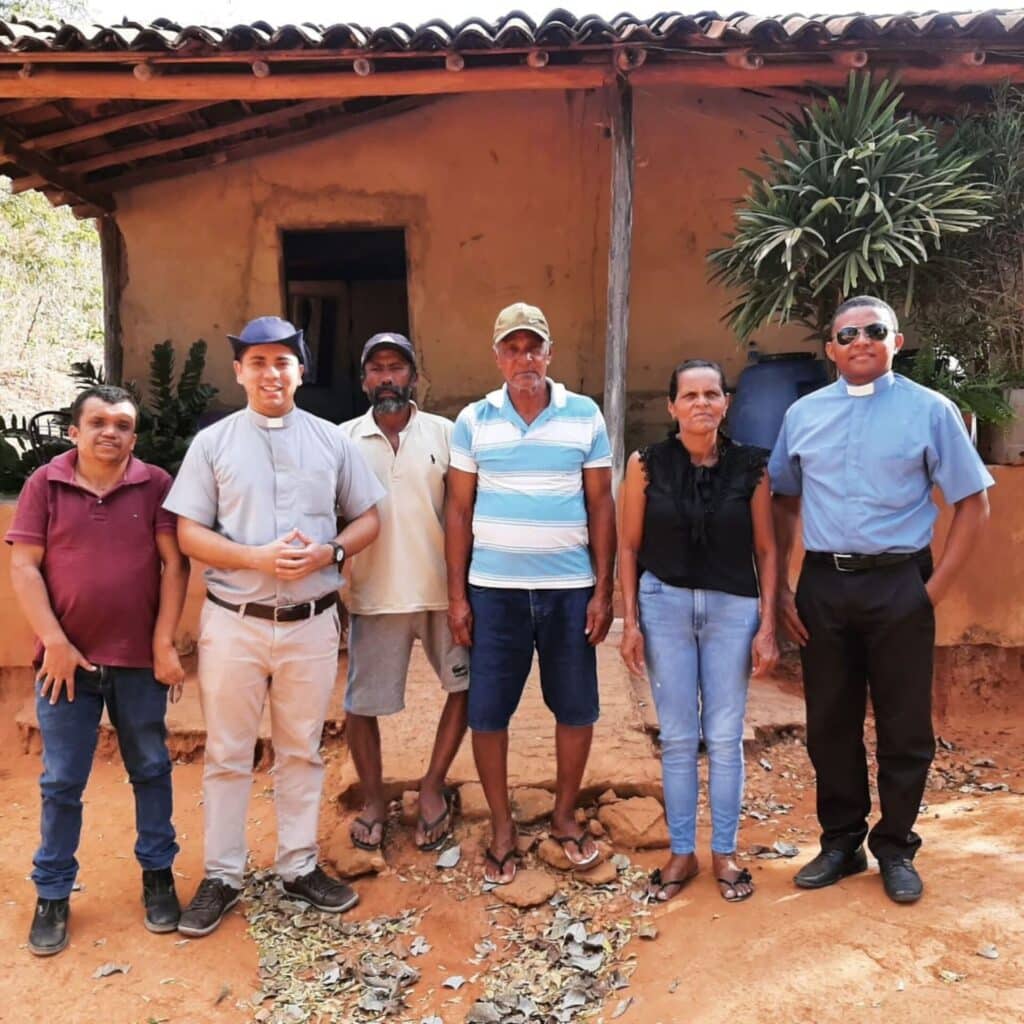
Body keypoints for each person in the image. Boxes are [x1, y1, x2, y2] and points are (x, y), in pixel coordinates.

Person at [164, 316, 384, 936]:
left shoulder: (331, 441)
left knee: (301, 750)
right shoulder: (213, 444)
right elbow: (188, 532)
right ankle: (222, 875)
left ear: (300, 371)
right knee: (228, 753)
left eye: (282, 361)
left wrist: (329, 552)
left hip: (311, 623)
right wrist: (255, 558)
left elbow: (369, 518)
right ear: (239, 372)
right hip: (234, 621)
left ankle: (298, 866)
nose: (271, 373)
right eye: (257, 362)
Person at [770, 295, 993, 904]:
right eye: (847, 334)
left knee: (904, 725)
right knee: (829, 723)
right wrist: (785, 585)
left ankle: (896, 846)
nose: (861, 341)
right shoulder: (803, 414)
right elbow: (784, 500)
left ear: (896, 342)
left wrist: (931, 592)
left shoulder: (931, 411)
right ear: (831, 349)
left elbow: (973, 504)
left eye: (874, 331)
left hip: (900, 583)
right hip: (824, 585)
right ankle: (842, 842)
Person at [7, 385, 189, 955]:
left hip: (137, 661)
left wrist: (164, 642)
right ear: (74, 431)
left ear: (134, 436)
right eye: (99, 422)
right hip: (65, 666)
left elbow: (174, 565)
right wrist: (54, 643)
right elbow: (24, 566)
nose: (111, 432)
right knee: (62, 781)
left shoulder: (155, 484)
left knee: (151, 767)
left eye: (123, 424)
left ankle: (158, 877)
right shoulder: (45, 484)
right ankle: (52, 893)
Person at [446, 302, 616, 884]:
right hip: (494, 592)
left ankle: (564, 816)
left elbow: (601, 503)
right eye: (512, 349)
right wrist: (457, 596)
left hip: (569, 590)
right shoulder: (474, 420)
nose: (524, 359)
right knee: (488, 712)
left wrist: (604, 590)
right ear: (497, 357)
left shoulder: (583, 414)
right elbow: (458, 509)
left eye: (533, 348)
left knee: (576, 706)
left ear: (549, 353)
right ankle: (502, 826)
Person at [618, 360, 778, 903]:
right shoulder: (645, 464)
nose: (702, 403)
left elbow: (767, 550)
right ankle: (682, 851)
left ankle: (725, 852)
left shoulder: (752, 466)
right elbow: (628, 547)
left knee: (726, 736)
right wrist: (629, 622)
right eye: (690, 395)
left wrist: (768, 625)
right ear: (672, 406)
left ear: (726, 403)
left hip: (734, 610)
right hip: (663, 606)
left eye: (712, 394)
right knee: (680, 737)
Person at [339, 332, 469, 852]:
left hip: (442, 591)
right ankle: (374, 800)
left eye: (397, 368)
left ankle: (433, 786)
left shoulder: (447, 433)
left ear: (414, 377)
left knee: (466, 688)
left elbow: (464, 512)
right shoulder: (342, 440)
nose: (387, 378)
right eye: (377, 369)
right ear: (364, 381)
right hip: (374, 595)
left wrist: (463, 592)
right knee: (359, 705)